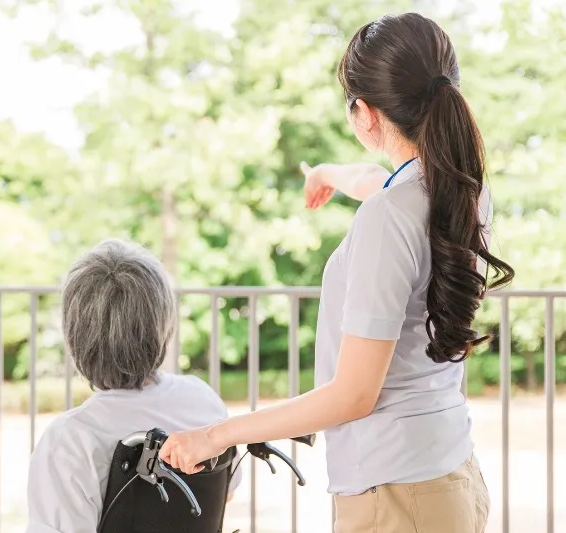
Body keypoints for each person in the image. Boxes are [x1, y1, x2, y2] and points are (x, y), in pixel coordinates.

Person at [158, 13, 514, 533]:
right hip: (447, 478)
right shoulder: (463, 191)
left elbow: (353, 395)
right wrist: (326, 174)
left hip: (397, 498)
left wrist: (215, 435)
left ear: (363, 115)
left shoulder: (388, 218)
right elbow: (377, 179)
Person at [23, 239, 241, 533]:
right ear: (163, 325)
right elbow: (224, 494)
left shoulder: (71, 440)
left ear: (75, 335)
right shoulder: (202, 400)